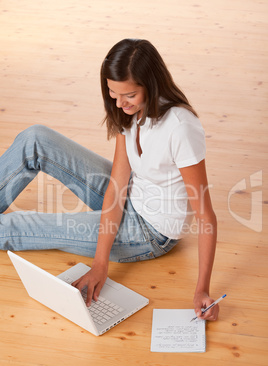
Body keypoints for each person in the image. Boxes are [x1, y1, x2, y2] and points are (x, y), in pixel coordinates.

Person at [0, 39, 218, 321]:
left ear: (151, 85)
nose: (118, 103)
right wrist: (100, 262)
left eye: (128, 95)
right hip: (131, 195)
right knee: (36, 138)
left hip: (149, 232)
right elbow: (117, 186)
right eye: (112, 93)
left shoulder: (181, 129)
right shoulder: (128, 111)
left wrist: (202, 289)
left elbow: (206, 216)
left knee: (15, 226)